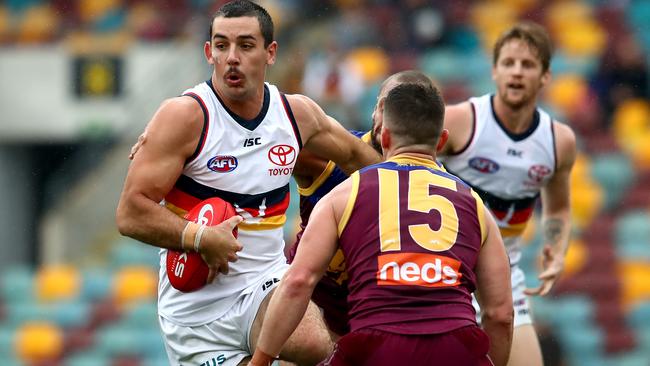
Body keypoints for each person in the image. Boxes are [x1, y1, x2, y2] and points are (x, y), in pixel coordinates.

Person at [115, 1, 381, 365]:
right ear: (209, 52)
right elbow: (130, 213)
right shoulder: (184, 116)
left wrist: (431, 182)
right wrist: (199, 237)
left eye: (245, 45)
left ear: (270, 53)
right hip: (195, 316)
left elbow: (361, 158)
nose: (232, 58)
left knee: (310, 342)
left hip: (264, 285)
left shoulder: (295, 115)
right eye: (222, 46)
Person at [250, 83, 514, 366]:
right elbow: (500, 314)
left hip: (376, 346)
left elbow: (298, 281)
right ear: (441, 141)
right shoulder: (475, 205)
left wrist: (261, 361)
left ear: (384, 136)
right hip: (456, 347)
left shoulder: (345, 193)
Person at [438, 21, 577, 366]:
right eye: (509, 63)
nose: (517, 72)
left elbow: (558, 209)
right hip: (445, 271)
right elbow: (399, 165)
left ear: (545, 76)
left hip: (505, 276)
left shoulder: (559, 142)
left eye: (528, 65)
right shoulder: (460, 121)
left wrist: (556, 252)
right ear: (494, 71)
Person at [289, 70, 436, 337]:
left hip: (384, 308)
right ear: (374, 110)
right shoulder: (326, 156)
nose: (391, 116)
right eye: (386, 105)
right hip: (315, 297)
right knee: (307, 344)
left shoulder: (439, 185)